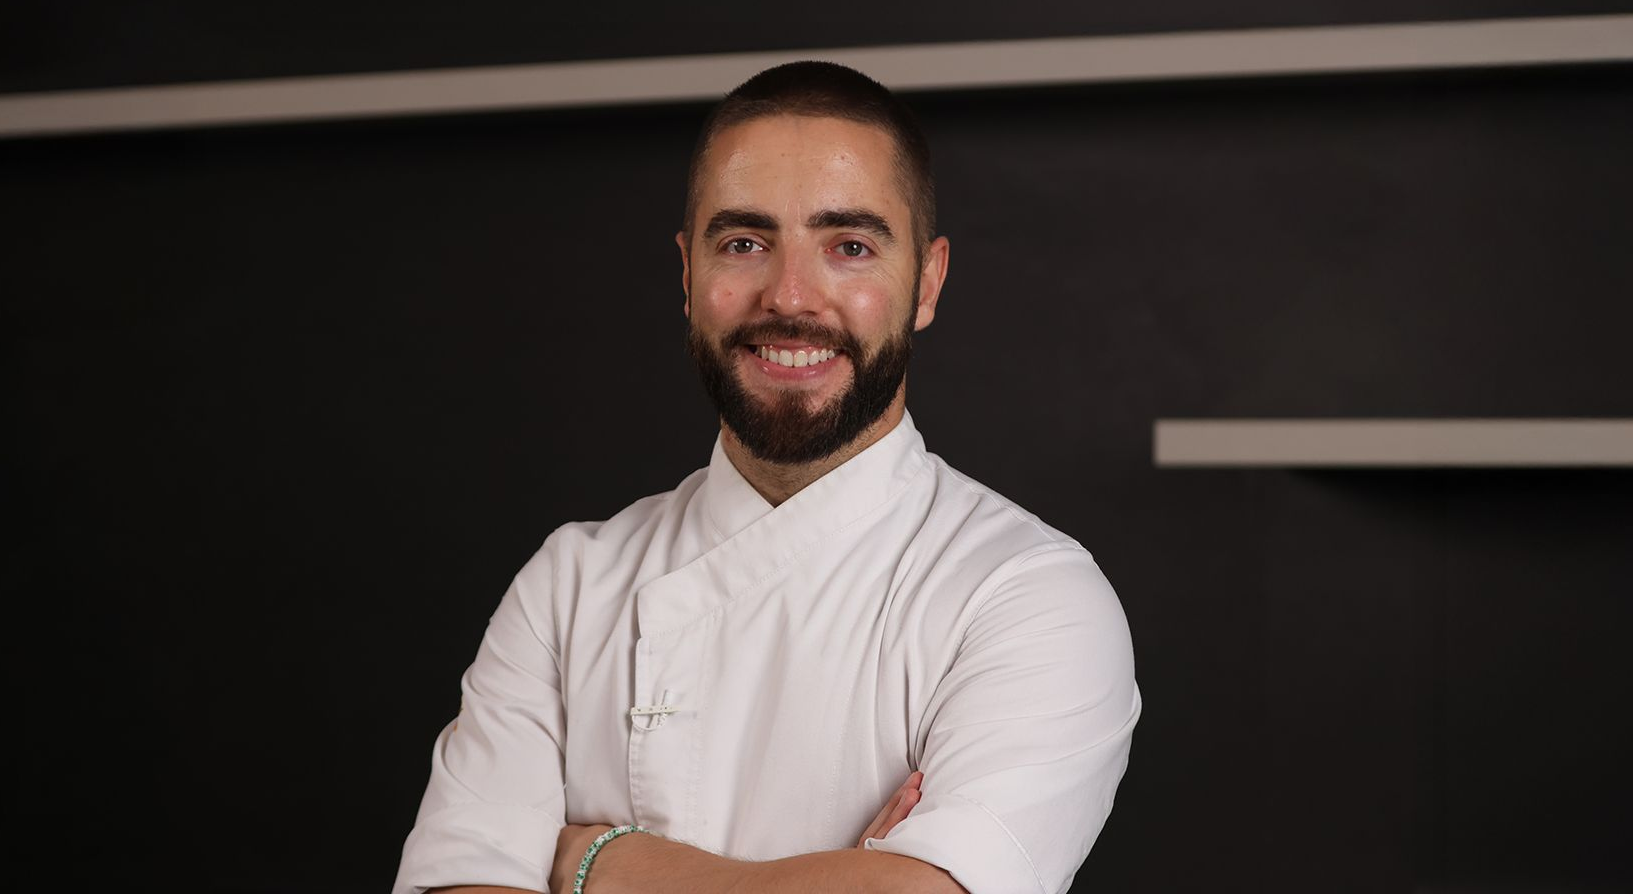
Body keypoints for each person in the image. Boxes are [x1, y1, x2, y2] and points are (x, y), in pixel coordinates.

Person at [393, 61, 1140, 894]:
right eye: (744, 243)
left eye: (848, 246)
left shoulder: (1025, 594)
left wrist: (596, 861)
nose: (790, 297)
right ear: (687, 274)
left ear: (925, 282)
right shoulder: (568, 587)